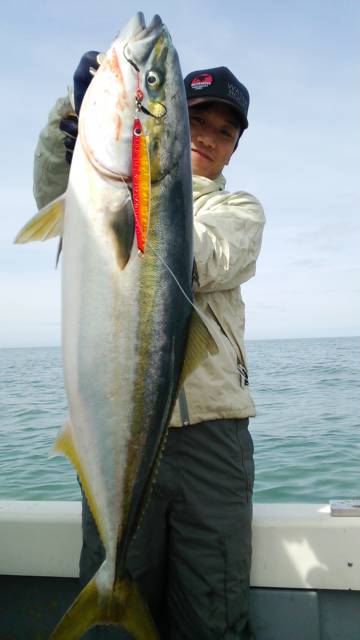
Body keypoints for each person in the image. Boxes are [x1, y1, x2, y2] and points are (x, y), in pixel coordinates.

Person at [33, 53, 265, 639]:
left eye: (225, 132)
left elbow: (201, 257)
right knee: (117, 586)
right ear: (168, 121)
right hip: (114, 426)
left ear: (234, 148)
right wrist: (77, 112)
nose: (210, 138)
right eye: (199, 121)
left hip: (214, 437)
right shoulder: (103, 185)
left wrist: (147, 189)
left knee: (213, 609)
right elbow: (51, 194)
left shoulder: (237, 210)